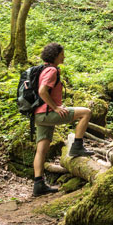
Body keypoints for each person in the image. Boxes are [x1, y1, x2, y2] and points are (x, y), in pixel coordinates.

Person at [32, 42, 94, 196]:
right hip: (48, 113)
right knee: (86, 112)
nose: (64, 56)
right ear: (55, 55)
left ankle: (38, 184)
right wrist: (55, 107)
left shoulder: (42, 69)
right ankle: (77, 146)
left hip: (39, 115)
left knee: (41, 150)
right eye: (62, 54)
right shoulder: (52, 70)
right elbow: (42, 91)